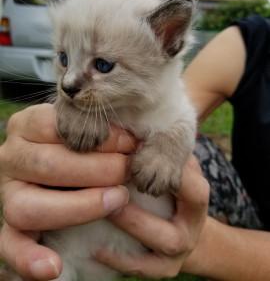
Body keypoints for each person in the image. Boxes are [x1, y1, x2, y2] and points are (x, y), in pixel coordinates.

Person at [1, 14, 270, 280]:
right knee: (191, 147)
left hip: (244, 223)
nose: (67, 81)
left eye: (103, 63)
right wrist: (51, 137)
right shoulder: (251, 42)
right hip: (240, 196)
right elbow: (172, 105)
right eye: (63, 59)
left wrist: (209, 246)